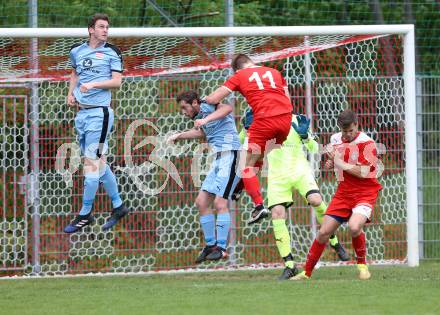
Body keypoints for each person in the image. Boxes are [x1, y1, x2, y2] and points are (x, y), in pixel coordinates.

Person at [240, 109, 349, 280]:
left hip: (299, 170)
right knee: (277, 214)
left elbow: (314, 148)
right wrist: (247, 129)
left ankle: (333, 240)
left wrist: (305, 136)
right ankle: (290, 265)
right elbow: (243, 143)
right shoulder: (261, 121)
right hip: (277, 175)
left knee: (315, 199)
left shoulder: (297, 120)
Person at [292, 109, 383, 280]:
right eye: (345, 131)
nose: (348, 134)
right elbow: (333, 162)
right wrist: (329, 163)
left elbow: (364, 172)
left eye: (351, 131)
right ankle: (307, 273)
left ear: (357, 125)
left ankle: (363, 267)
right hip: (343, 194)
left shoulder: (367, 143)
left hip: (365, 193)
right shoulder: (335, 139)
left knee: (355, 226)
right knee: (324, 232)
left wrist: (340, 162)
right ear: (340, 128)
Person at [204, 54, 292, 225]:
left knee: (244, 164)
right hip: (286, 120)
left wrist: (205, 100)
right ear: (251, 62)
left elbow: (214, 98)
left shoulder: (240, 75)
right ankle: (240, 187)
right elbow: (287, 99)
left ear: (237, 69)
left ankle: (259, 206)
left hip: (265, 119)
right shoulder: (274, 72)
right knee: (257, 158)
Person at [64, 13, 130, 233]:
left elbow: (117, 82)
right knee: (98, 164)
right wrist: (70, 94)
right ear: (91, 29)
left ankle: (85, 213)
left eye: (107, 27)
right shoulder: (77, 51)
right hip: (82, 115)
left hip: (99, 115)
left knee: (90, 164)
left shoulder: (112, 52)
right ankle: (119, 206)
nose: (105, 30)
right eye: (102, 27)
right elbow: (75, 73)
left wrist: (93, 86)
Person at [168, 90, 241, 262]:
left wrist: (205, 119)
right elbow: (203, 133)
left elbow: (227, 109)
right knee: (201, 202)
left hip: (232, 155)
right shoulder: (198, 117)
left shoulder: (209, 105)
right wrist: (179, 136)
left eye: (184, 107)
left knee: (219, 202)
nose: (183, 112)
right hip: (218, 159)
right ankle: (210, 246)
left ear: (195, 103)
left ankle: (222, 249)